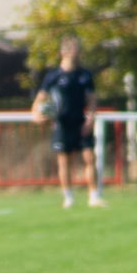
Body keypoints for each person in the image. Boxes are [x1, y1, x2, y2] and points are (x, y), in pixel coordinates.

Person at [32, 37, 104, 210]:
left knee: (89, 157)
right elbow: (39, 100)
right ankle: (68, 198)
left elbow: (92, 100)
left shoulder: (84, 75)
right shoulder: (53, 76)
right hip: (62, 124)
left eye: (77, 50)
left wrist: (90, 119)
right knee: (64, 161)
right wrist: (36, 114)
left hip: (81, 122)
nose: (76, 53)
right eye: (73, 50)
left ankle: (94, 197)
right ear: (63, 52)